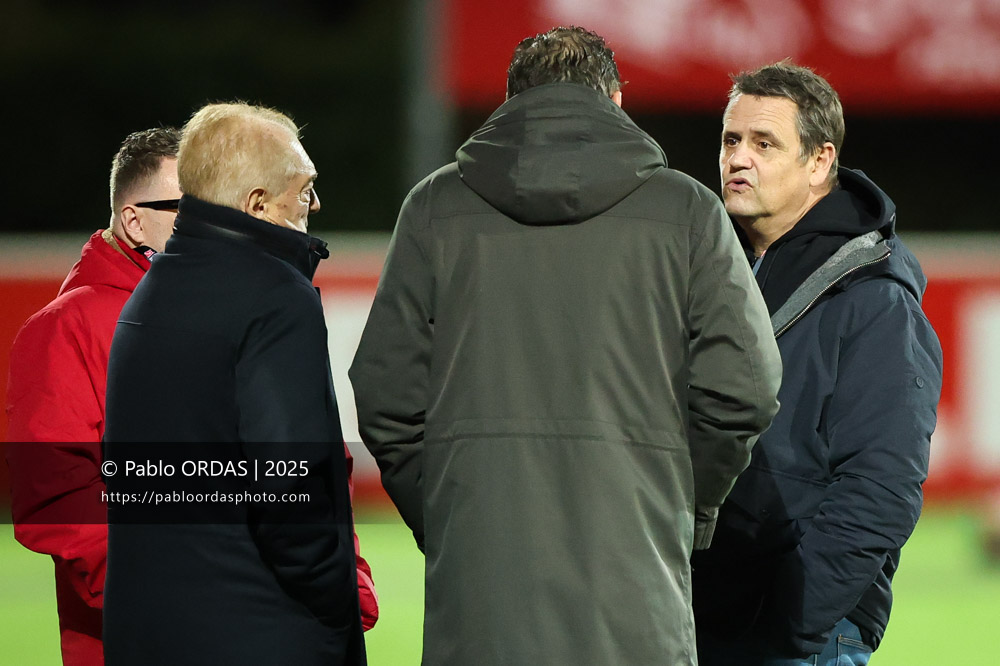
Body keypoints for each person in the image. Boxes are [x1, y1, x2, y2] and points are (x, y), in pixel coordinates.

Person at [350, 26, 782, 665]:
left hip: (481, 597)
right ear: (613, 97)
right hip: (636, 588)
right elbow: (745, 385)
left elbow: (386, 396)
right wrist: (677, 501)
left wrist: (451, 509)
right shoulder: (686, 209)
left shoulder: (433, 208)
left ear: (510, 102)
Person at [690, 61, 943, 665]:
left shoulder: (874, 299)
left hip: (800, 638)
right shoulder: (706, 272)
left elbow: (881, 487)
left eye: (764, 143)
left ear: (820, 162)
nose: (737, 159)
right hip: (700, 620)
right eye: (730, 140)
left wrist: (790, 622)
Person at [102, 103, 366, 665]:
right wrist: (334, 598)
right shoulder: (275, 296)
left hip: (156, 632)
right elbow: (289, 492)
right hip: (259, 632)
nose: (314, 204)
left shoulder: (150, 291)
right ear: (257, 204)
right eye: (304, 188)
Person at [5, 127, 181, 666]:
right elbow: (55, 495)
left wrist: (345, 585)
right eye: (187, 208)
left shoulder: (217, 311)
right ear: (134, 220)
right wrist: (167, 597)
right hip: (141, 637)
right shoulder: (66, 326)